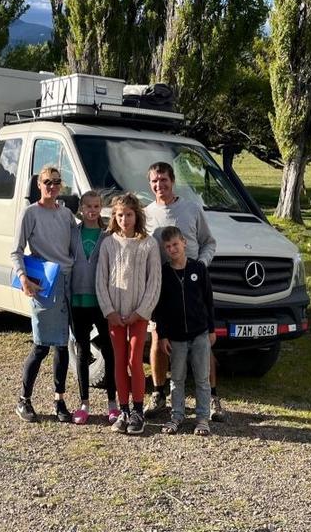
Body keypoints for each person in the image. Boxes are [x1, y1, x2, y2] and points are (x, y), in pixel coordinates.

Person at [143, 161, 221, 420]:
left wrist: (201, 265)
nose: (159, 185)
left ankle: (212, 397)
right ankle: (158, 393)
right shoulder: (147, 214)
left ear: (172, 181)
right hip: (163, 287)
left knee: (202, 340)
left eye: (163, 180)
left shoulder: (191, 209)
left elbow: (209, 242)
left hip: (192, 284)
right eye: (154, 181)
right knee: (158, 337)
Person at [12, 164, 84, 423]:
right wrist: (23, 278)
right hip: (44, 285)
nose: (52, 186)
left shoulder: (66, 215)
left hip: (67, 283)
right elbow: (16, 251)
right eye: (47, 182)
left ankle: (59, 401)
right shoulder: (30, 213)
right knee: (41, 345)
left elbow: (78, 243)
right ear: (39, 185)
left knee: (63, 346)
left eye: (56, 182)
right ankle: (24, 399)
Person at [96, 192, 161, 435]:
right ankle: (123, 410)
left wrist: (141, 312)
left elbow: (154, 282)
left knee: (135, 360)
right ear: (115, 216)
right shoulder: (108, 244)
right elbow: (101, 280)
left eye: (129, 215)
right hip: (115, 315)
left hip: (138, 315)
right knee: (119, 361)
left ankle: (138, 411)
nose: (125, 219)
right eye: (120, 215)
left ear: (137, 216)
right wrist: (109, 311)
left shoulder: (148, 244)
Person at [154, 226, 216, 436]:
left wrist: (211, 329)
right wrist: (163, 335)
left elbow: (208, 301)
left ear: (184, 243)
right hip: (176, 336)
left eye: (175, 244)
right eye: (168, 246)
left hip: (200, 333)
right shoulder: (164, 272)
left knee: (202, 378)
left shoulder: (198, 268)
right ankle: (177, 416)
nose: (173, 249)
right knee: (177, 378)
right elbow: (160, 308)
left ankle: (202, 418)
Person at [69, 190, 118, 425]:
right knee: (82, 351)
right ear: (81, 208)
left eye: (96, 206)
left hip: (101, 301)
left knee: (108, 350)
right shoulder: (73, 234)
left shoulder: (107, 236)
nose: (92, 210)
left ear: (101, 208)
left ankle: (112, 403)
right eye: (88, 206)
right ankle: (84, 403)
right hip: (77, 300)